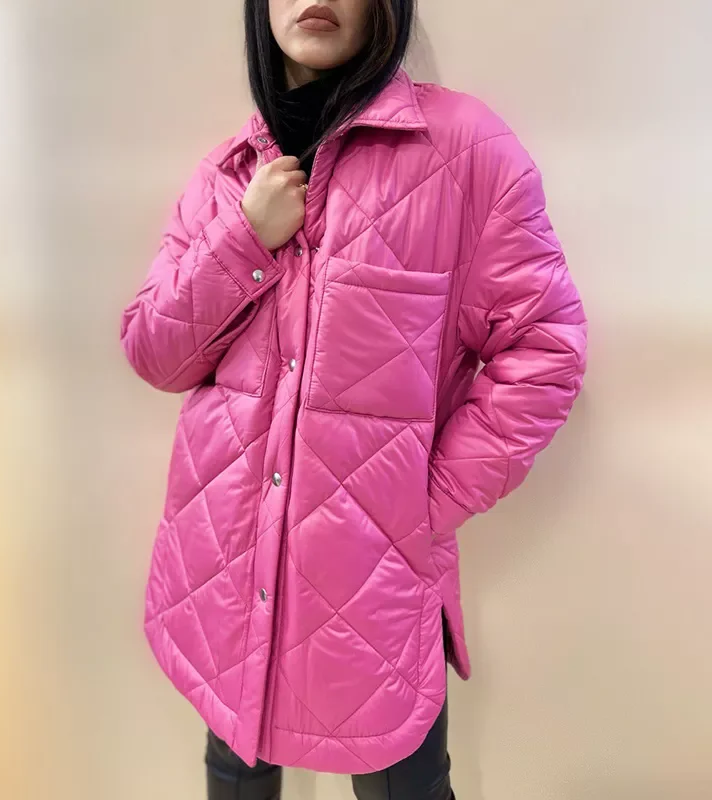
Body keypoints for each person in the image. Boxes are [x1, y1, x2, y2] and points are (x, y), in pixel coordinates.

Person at [120, 0, 587, 797]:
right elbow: (155, 355)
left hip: (375, 594)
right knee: (234, 777)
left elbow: (544, 348)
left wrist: (424, 503)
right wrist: (244, 238)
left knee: (405, 785)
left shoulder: (463, 151)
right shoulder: (227, 175)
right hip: (222, 577)